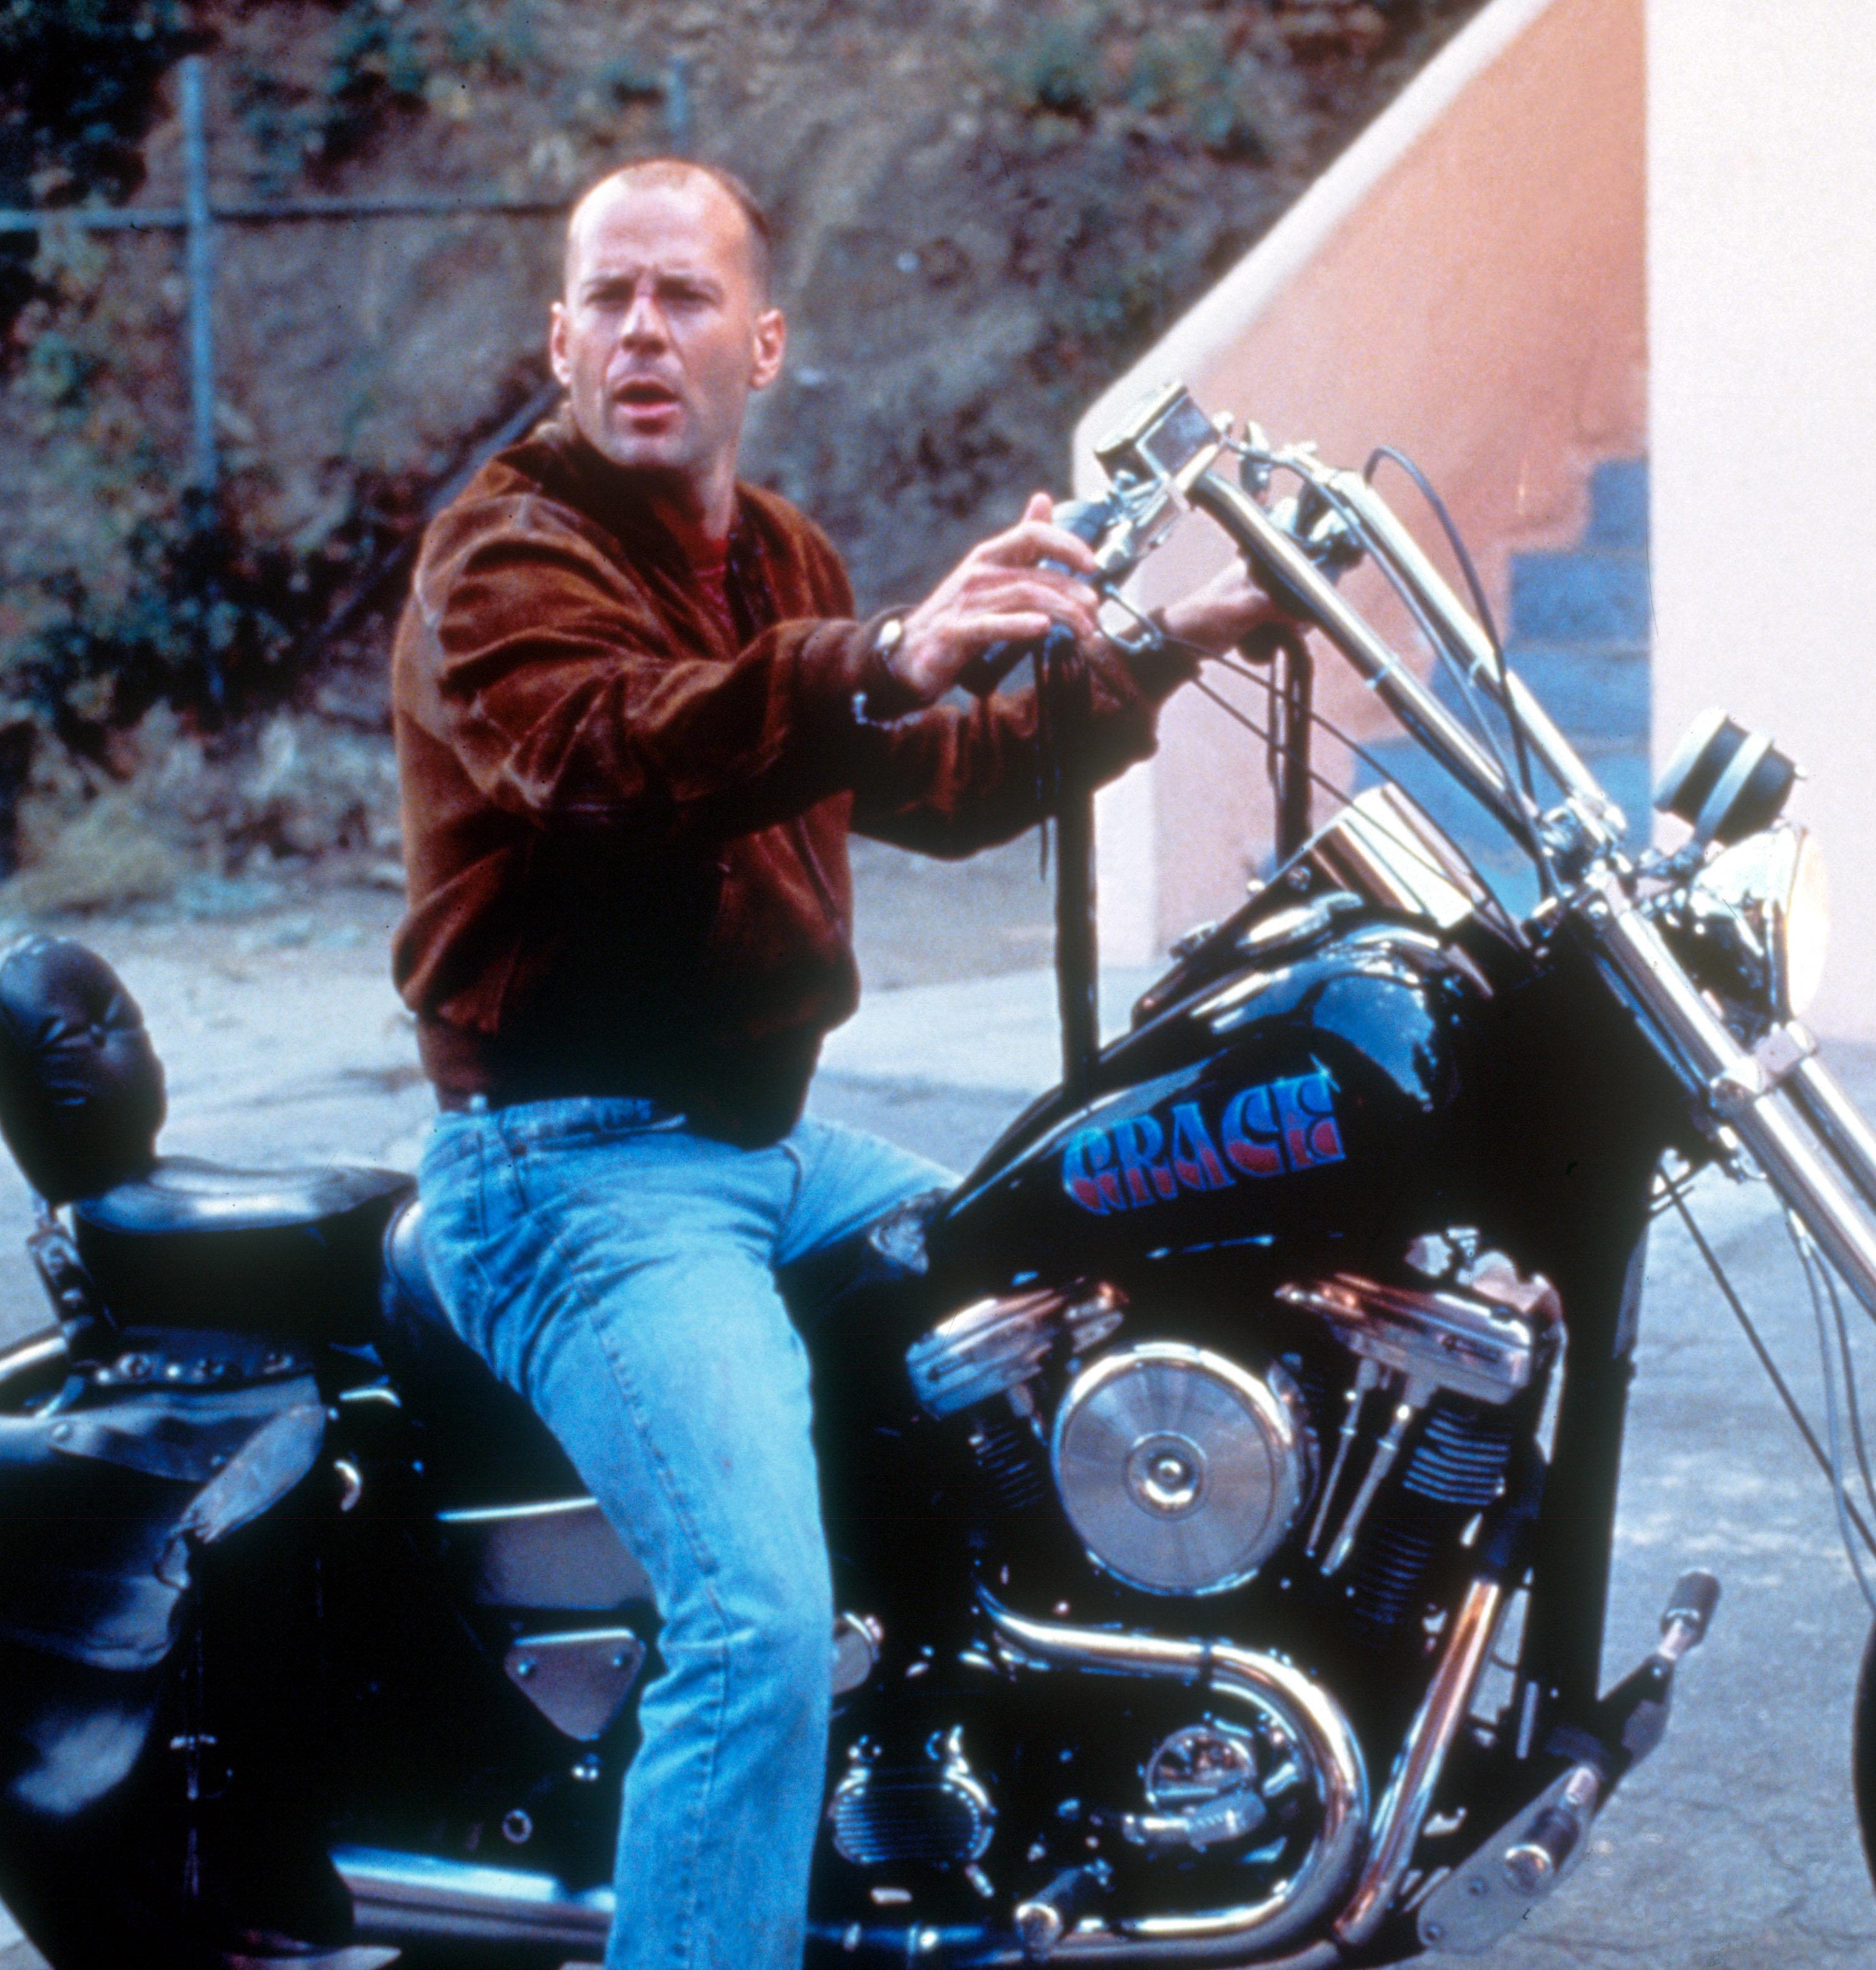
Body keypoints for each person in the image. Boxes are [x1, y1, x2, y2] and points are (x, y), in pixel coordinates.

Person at [387, 156, 1281, 1969]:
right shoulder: (505, 554)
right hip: (573, 1173)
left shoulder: (779, 555)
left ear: (767, 341)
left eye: (686, 296)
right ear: (559, 340)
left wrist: (1170, 648)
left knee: (1079, 1291)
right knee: (753, 1626)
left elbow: (943, 787)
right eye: (611, 299)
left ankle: (1013, 1808)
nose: (646, 332)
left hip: (769, 1150)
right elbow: (612, 748)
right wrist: (884, 655)